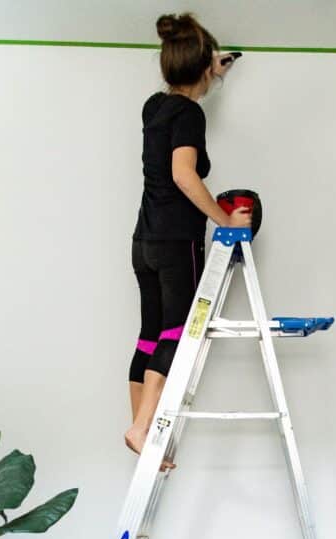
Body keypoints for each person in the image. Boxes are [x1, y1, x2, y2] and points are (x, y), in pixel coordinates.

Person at [126, 12, 251, 461]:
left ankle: (142, 437)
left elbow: (181, 88)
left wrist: (207, 65)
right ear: (201, 66)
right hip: (178, 241)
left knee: (149, 334)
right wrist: (223, 218)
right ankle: (143, 429)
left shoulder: (153, 107)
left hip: (144, 242)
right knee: (175, 334)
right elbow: (184, 174)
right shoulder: (191, 113)